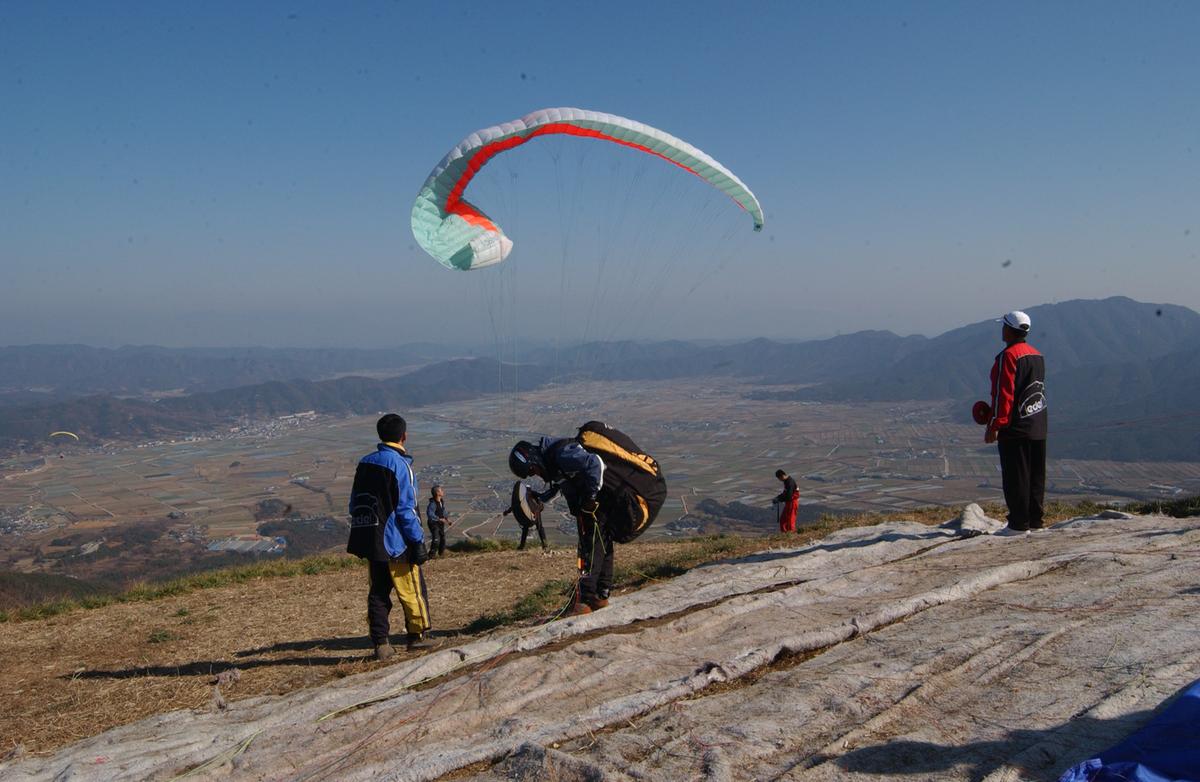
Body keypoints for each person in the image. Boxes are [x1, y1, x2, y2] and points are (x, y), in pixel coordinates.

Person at [347, 414, 431, 660]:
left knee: (378, 592)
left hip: (372, 539)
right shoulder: (401, 465)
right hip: (396, 541)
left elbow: (354, 503)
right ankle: (417, 637)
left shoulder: (365, 463)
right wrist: (417, 540)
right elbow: (407, 509)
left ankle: (381, 643)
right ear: (404, 436)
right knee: (412, 589)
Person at [509, 437, 607, 614]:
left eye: (532, 470)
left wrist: (590, 497)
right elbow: (560, 485)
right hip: (588, 508)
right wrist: (540, 498)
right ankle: (600, 595)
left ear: (533, 458)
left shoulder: (562, 454)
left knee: (591, 547)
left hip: (595, 505)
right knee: (600, 545)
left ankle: (585, 599)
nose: (536, 474)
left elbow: (595, 463)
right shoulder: (554, 462)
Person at [985, 311, 1048, 537]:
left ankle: (1018, 524)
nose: (1001, 330)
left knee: (1016, 476)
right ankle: (1035, 521)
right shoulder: (1037, 355)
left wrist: (995, 424)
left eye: (1003, 326)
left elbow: (1004, 395)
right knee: (1035, 476)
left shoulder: (1008, 357)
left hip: (1015, 427)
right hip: (1038, 423)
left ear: (1010, 330)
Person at [503, 481, 550, 552]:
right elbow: (516, 505)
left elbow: (514, 505)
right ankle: (544, 546)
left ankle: (522, 546)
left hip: (533, 514)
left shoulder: (529, 494)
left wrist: (507, 512)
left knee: (528, 529)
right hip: (534, 514)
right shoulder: (530, 494)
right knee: (539, 528)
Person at [425, 484, 450, 557]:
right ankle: (431, 556)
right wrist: (439, 519)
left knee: (443, 539)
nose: (443, 491)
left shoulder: (441, 502)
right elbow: (429, 514)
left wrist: (447, 519)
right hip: (433, 523)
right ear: (437, 493)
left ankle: (441, 554)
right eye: (441, 490)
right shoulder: (433, 504)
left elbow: (443, 511)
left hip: (440, 523)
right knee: (436, 539)